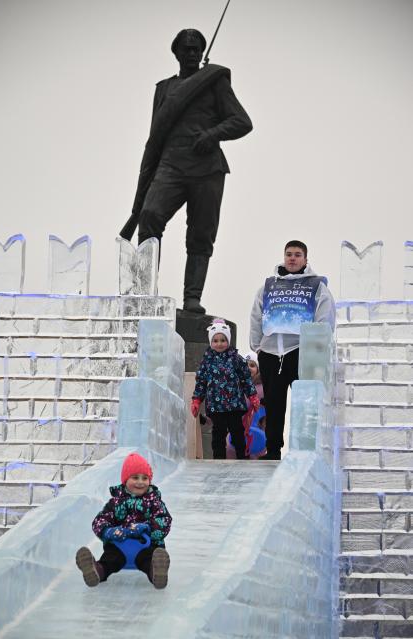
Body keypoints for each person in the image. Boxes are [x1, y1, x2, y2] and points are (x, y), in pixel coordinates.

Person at [120, 28, 253, 314]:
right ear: (176, 53)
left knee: (200, 234)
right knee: (150, 215)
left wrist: (212, 134)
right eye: (187, 49)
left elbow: (242, 121)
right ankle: (145, 291)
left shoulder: (213, 82)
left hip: (207, 169)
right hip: (170, 165)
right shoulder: (164, 89)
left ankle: (192, 297)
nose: (192, 53)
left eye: (197, 49)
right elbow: (156, 135)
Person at [250, 241, 336, 460]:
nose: (292, 258)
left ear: (305, 259)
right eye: (289, 254)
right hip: (271, 353)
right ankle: (274, 449)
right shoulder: (269, 286)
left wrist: (317, 347)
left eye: (298, 255)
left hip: (300, 352)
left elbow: (325, 316)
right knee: (274, 404)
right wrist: (257, 346)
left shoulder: (317, 286)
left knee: (305, 404)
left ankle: (305, 450)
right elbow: (256, 315)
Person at [75, 453, 172, 589]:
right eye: (135, 477)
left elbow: (164, 521)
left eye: (145, 478)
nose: (140, 482)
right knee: (110, 560)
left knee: (148, 560)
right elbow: (99, 520)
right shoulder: (115, 502)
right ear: (125, 480)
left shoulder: (154, 502)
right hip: (119, 545)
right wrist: (108, 531)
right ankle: (96, 570)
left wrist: (147, 527)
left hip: (145, 545)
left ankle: (157, 572)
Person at [191, 318, 260, 459]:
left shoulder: (236, 358)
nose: (219, 344)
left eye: (223, 340)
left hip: (235, 405)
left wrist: (252, 396)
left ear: (228, 340)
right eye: (215, 341)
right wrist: (197, 400)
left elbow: (246, 378)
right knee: (218, 434)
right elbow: (201, 382)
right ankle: (219, 460)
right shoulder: (207, 361)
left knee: (237, 433)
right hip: (216, 407)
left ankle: (241, 457)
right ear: (211, 342)